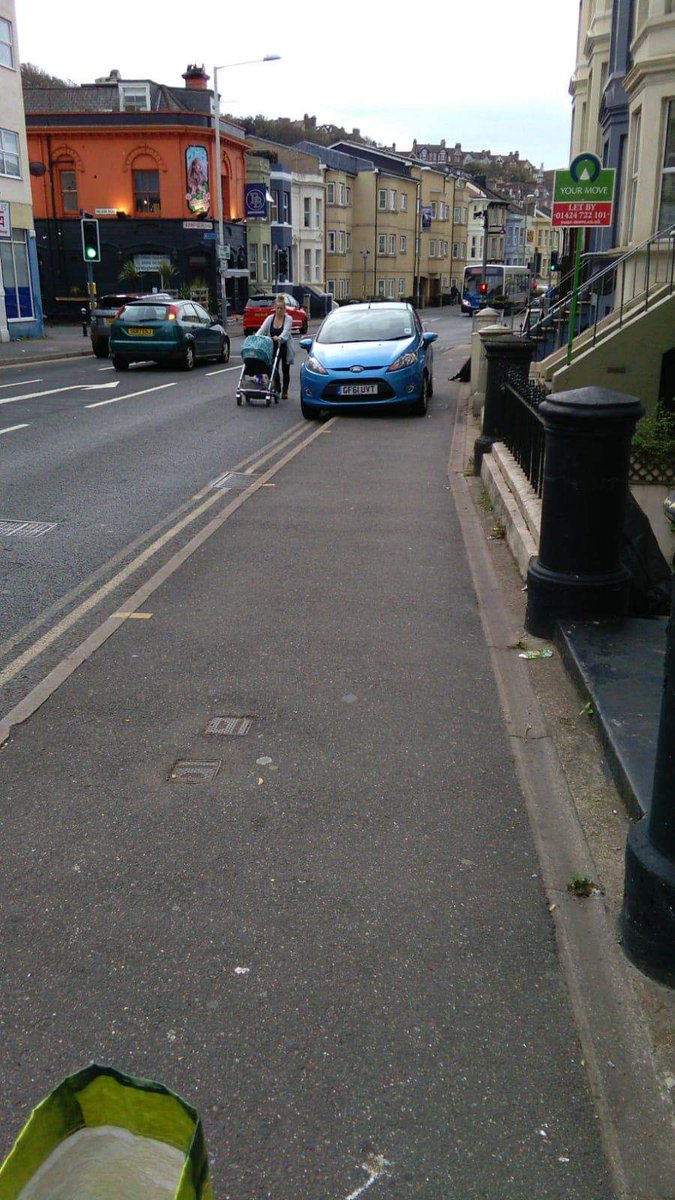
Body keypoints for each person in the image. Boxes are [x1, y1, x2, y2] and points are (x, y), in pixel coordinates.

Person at [257, 294, 295, 399]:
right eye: (277, 308)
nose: (279, 310)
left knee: (285, 369)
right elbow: (262, 330)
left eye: (281, 308)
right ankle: (277, 387)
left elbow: (286, 331)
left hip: (284, 347)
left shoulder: (288, 319)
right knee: (274, 368)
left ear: (284, 309)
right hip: (272, 347)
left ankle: (285, 390)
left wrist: (280, 338)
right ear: (275, 308)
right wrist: (255, 338)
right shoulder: (270, 318)